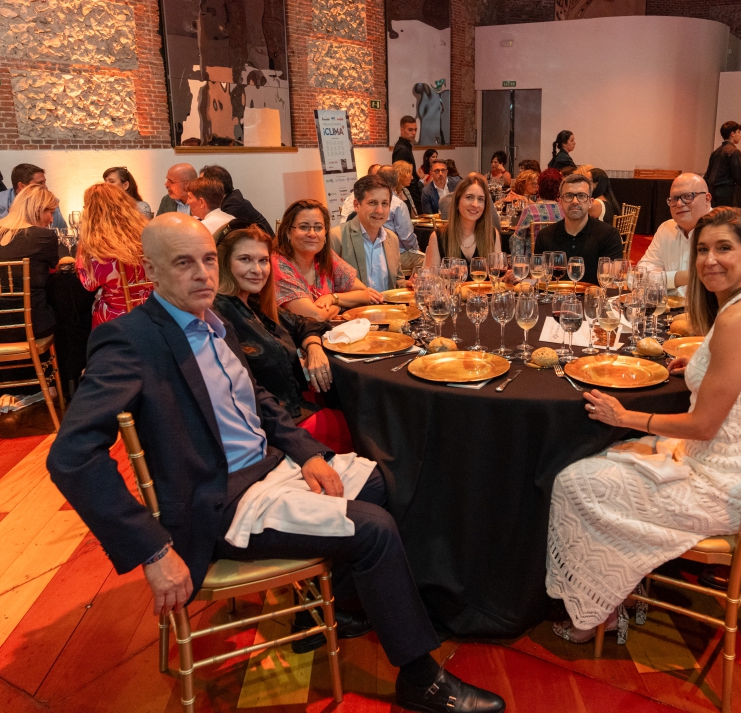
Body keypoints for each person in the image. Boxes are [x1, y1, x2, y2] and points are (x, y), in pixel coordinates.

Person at [45, 214, 506, 713]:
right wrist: (153, 550)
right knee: (373, 529)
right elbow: (71, 457)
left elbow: (259, 401)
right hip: (222, 501)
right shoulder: (131, 339)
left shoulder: (212, 321)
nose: (202, 274)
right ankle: (421, 680)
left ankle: (339, 608)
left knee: (389, 482)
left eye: (207, 260)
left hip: (269, 469)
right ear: (152, 271)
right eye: (183, 263)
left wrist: (307, 454)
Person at [546, 207, 741, 642]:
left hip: (721, 488)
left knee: (574, 481)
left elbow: (703, 426)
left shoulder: (738, 318)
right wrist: (700, 368)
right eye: (703, 250)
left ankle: (595, 613)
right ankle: (623, 589)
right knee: (610, 457)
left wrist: (626, 416)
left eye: (724, 248)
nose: (709, 260)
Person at [213, 226, 350, 454]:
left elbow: (306, 323)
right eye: (245, 259)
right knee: (364, 424)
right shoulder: (219, 315)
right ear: (224, 263)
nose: (257, 270)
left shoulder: (254, 302)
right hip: (275, 430)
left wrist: (313, 347)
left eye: (263, 260)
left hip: (295, 411)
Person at [273, 199, 383, 322]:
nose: (312, 234)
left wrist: (332, 298)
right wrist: (339, 305)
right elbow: (316, 317)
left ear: (325, 233)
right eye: (303, 227)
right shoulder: (278, 264)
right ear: (288, 232)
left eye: (318, 227)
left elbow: (364, 293)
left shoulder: (325, 256)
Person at [76, 183, 153, 326]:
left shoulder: (98, 245)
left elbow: (89, 284)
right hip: (154, 310)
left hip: (117, 318)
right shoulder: (147, 232)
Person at [533, 173, 623, 284]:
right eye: (569, 196)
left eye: (581, 196)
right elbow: (540, 280)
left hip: (595, 295)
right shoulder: (545, 235)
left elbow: (611, 283)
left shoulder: (609, 235)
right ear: (560, 202)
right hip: (554, 294)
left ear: (590, 202)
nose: (575, 201)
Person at [0, 185, 59, 344]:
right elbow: (54, 268)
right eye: (51, 212)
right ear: (38, 209)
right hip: (32, 327)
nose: (52, 220)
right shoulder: (44, 237)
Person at [638, 173, 712, 295]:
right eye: (674, 199)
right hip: (667, 305)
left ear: (707, 199)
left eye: (688, 196)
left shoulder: (724, 230)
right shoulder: (666, 229)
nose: (679, 204)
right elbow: (640, 276)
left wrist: (664, 280)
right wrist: (679, 278)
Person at [330, 175, 406, 291]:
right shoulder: (337, 237)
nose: (379, 210)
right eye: (372, 203)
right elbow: (329, 288)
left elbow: (396, 281)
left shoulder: (392, 238)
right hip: (355, 303)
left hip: (387, 302)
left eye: (384, 203)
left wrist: (408, 284)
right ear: (357, 205)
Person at [425, 174, 502, 267]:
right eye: (469, 197)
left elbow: (498, 273)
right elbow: (430, 275)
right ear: (457, 202)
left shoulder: (492, 234)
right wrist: (446, 274)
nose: (475, 204)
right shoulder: (438, 237)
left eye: (480, 199)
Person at [200, 165, 274, 236]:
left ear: (214, 185)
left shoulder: (233, 204)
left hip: (264, 243)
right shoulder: (229, 199)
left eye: (201, 183)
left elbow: (218, 231)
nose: (199, 188)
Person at [703, 121, 741, 207]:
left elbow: (707, 175)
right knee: (729, 214)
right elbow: (738, 175)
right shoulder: (734, 151)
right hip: (725, 192)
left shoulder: (715, 152)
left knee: (716, 214)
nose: (740, 135)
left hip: (712, 191)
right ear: (732, 133)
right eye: (738, 132)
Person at [510, 168, 562, 256]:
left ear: (539, 187)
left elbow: (518, 238)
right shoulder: (564, 210)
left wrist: (518, 262)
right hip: (558, 257)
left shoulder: (530, 210)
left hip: (534, 258)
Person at [0, 163, 68, 229]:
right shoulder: (2, 201)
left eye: (44, 182)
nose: (45, 187)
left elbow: (61, 231)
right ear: (22, 186)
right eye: (39, 183)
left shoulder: (49, 201)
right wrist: (13, 211)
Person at [392, 115, 423, 209]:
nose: (414, 133)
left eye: (415, 130)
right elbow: (401, 175)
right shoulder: (402, 149)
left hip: (410, 190)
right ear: (402, 130)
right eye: (410, 130)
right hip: (409, 191)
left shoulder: (405, 146)